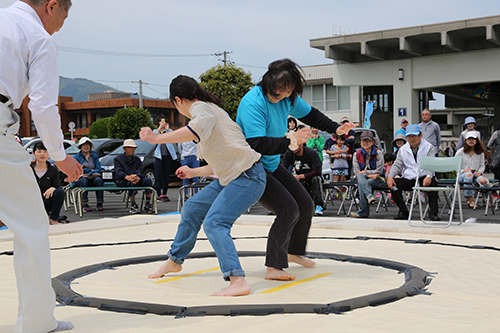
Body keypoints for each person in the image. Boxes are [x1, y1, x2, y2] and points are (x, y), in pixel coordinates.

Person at [141, 75, 265, 296]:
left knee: (215, 223)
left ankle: (237, 279)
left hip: (248, 176)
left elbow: (195, 129)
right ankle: (174, 260)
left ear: (177, 100)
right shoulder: (209, 111)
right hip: (232, 176)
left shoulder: (202, 109)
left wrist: (157, 138)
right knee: (192, 207)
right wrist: (193, 172)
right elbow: (223, 159)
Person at [0, 1, 83, 332]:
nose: (62, 24)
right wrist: (59, 154)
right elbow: (44, 105)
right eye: (65, 15)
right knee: (32, 228)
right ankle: (37, 323)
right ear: (52, 6)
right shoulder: (38, 37)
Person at [236, 58, 356, 280]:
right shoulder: (253, 102)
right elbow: (256, 143)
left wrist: (336, 128)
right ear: (267, 82)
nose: (281, 96)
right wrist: (290, 140)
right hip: (251, 167)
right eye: (277, 92)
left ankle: (294, 251)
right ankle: (273, 266)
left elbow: (310, 114)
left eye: (286, 92)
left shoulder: (287, 97)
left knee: (305, 203)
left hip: (271, 164)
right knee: (288, 209)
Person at [387, 124, 441, 221]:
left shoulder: (429, 147)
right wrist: (390, 176)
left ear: (420, 135)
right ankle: (404, 211)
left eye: (414, 136)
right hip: (409, 178)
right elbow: (397, 164)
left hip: (423, 176)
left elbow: (431, 163)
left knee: (433, 184)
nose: (412, 139)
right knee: (394, 184)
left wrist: (429, 175)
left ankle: (433, 212)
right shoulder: (403, 149)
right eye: (409, 136)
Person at [456, 131, 497, 207]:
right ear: (465, 141)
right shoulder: (460, 152)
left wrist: (480, 173)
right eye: (469, 139)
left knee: (484, 181)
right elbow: (455, 167)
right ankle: (469, 198)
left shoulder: (480, 153)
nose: (471, 141)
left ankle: (488, 198)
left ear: (476, 141)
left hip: (475, 175)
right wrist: (464, 171)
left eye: (473, 139)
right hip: (462, 175)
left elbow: (482, 165)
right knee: (468, 175)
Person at [282, 144, 325, 216]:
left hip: (312, 177)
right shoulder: (289, 153)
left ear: (301, 145)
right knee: (284, 179)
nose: (294, 149)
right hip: (299, 178)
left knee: (316, 179)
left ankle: (319, 206)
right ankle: (282, 206)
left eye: (295, 146)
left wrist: (301, 176)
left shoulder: (311, 153)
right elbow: (283, 169)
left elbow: (317, 171)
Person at [114, 139, 154, 214]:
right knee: (131, 183)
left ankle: (148, 204)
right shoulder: (118, 159)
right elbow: (118, 171)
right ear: (124, 149)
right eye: (129, 147)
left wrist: (137, 177)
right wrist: (127, 177)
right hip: (122, 180)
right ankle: (133, 205)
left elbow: (140, 171)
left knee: (148, 180)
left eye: (133, 148)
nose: (131, 149)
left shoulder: (137, 159)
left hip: (135, 179)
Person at [350, 131, 384, 218]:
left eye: (368, 141)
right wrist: (370, 174)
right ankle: (369, 196)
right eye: (363, 141)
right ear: (360, 142)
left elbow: (379, 171)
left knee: (363, 183)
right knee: (363, 180)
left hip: (378, 179)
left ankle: (363, 212)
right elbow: (357, 172)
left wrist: (365, 173)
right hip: (365, 178)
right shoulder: (356, 154)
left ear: (373, 142)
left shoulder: (378, 153)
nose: (365, 143)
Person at [30, 142, 65, 225]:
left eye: (45, 151)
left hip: (45, 201)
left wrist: (53, 188)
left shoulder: (53, 170)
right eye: (39, 151)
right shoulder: (28, 169)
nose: (42, 154)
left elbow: (57, 187)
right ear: (34, 154)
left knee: (60, 192)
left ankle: (53, 219)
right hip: (31, 202)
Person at [73, 137, 105, 212]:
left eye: (87, 144)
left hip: (93, 177)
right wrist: (90, 170)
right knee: (84, 181)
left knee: (99, 180)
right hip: (81, 178)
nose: (86, 146)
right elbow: (77, 170)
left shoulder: (95, 156)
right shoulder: (76, 157)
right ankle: (84, 204)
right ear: (80, 147)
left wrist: (89, 173)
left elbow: (99, 169)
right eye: (83, 145)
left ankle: (99, 203)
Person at [153, 116, 178, 202]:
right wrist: (159, 129)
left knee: (166, 176)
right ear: (158, 122)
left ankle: (165, 194)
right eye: (160, 121)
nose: (162, 123)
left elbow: (173, 139)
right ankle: (159, 194)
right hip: (158, 157)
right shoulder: (155, 131)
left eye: (164, 121)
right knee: (158, 176)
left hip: (168, 157)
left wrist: (167, 130)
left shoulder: (170, 131)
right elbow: (154, 139)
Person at [178, 133, 200, 198]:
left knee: (189, 177)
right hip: (193, 157)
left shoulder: (182, 136)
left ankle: (187, 194)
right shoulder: (195, 136)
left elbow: (179, 149)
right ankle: (192, 194)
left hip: (187, 157)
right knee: (193, 177)